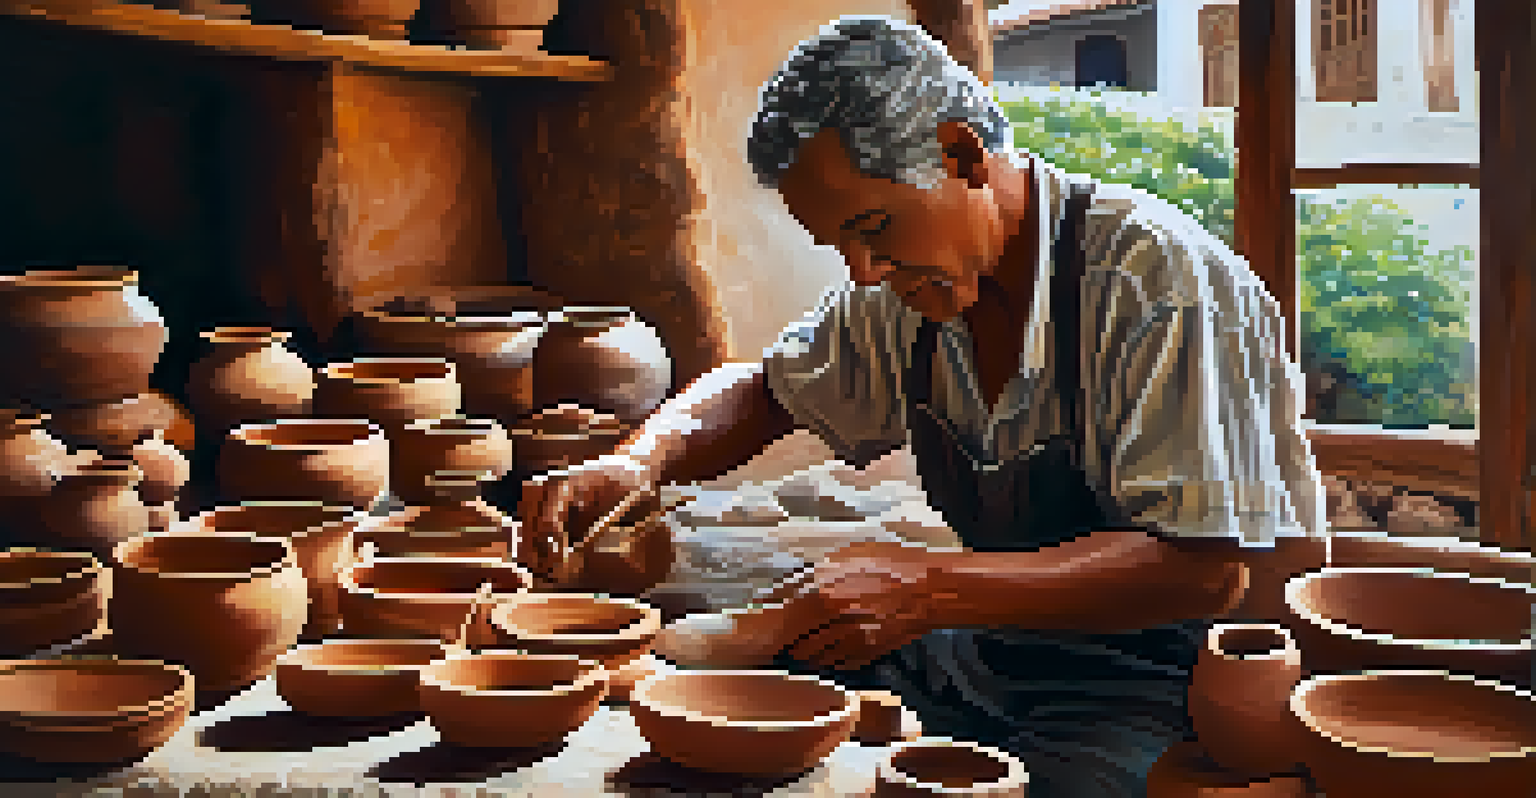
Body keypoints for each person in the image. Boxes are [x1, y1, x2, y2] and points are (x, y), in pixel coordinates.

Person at [519, 15, 1327, 798]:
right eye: (840, 243)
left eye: (873, 225)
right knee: (740, 717)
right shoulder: (911, 289)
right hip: (1001, 649)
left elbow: (1208, 568)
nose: (864, 272)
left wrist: (932, 588)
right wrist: (640, 458)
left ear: (962, 154)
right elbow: (767, 391)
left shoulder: (1156, 283)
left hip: (1176, 677)